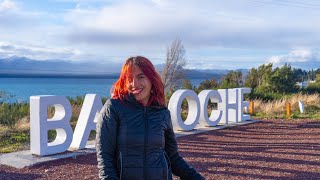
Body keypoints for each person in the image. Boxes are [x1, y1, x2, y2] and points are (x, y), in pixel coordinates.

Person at [96, 56, 204, 180]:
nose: (134, 84)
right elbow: (105, 158)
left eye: (140, 77)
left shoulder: (162, 113)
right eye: (129, 78)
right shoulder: (114, 108)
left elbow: (173, 157)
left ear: (151, 79)